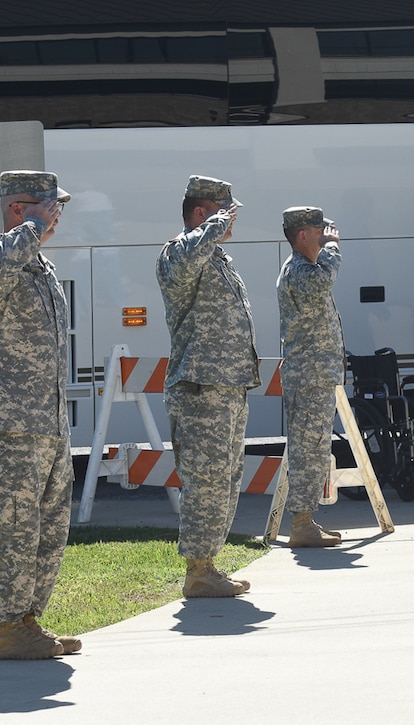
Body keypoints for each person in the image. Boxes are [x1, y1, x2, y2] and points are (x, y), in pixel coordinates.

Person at [0, 170, 82, 659]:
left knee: (48, 530)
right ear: (19, 209)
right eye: (50, 207)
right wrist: (29, 229)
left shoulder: (41, 269)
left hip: (47, 424)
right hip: (8, 425)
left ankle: (27, 621)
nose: (57, 216)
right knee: (13, 528)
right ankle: (6, 628)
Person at [157, 175, 260, 597]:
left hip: (227, 385)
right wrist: (214, 224)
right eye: (226, 212)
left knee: (226, 478)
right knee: (206, 480)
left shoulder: (216, 257)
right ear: (202, 213)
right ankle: (198, 570)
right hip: (201, 387)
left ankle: (208, 565)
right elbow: (187, 254)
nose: (232, 220)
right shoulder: (178, 253)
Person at [278, 206, 345, 548]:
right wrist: (333, 249)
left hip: (315, 374)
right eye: (319, 230)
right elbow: (321, 282)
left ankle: (305, 520)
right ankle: (301, 524)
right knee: (309, 450)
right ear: (302, 235)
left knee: (315, 448)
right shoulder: (301, 271)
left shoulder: (305, 267)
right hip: (309, 375)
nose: (326, 234)